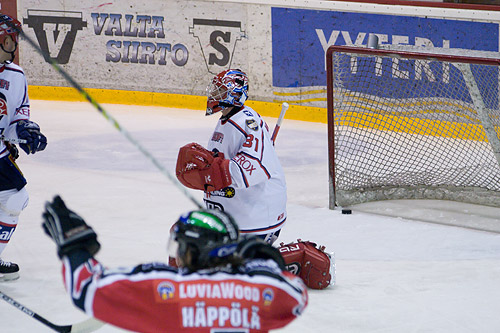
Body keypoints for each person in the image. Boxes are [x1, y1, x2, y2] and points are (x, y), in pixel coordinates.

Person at [41, 195, 308, 332]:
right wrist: (259, 258)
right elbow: (296, 293)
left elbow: (87, 289)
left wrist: (75, 245)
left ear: (196, 250)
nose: (177, 255)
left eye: (181, 247)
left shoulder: (165, 289)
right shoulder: (262, 289)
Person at [176, 69, 287, 244]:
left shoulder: (248, 123)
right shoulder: (227, 120)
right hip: (236, 217)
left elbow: (252, 168)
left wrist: (211, 174)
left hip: (255, 222)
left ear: (234, 94)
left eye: (220, 90)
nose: (214, 94)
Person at [0, 14, 47, 281]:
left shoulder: (16, 76)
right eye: (10, 38)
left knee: (16, 198)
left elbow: (18, 114)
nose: (14, 43)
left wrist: (25, 132)